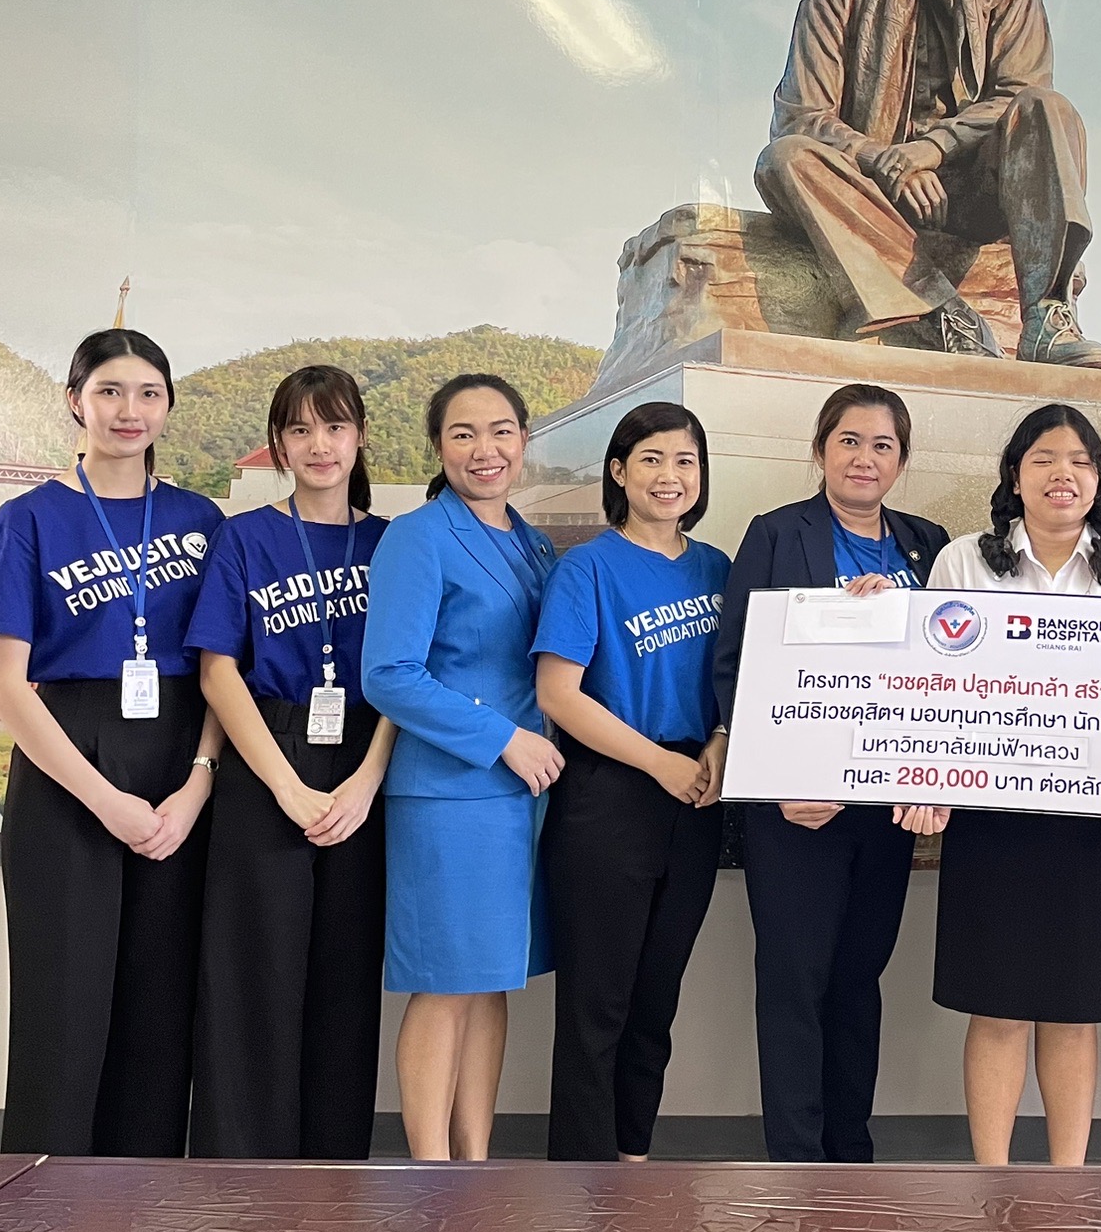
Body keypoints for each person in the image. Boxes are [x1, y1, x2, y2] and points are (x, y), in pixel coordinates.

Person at [0, 328, 225, 1156]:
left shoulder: (201, 518)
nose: (129, 410)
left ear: (169, 406)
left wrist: (198, 783)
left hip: (179, 768)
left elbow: (223, 669)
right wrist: (105, 799)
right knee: (62, 1003)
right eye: (110, 390)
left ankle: (141, 1200)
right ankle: (40, 1207)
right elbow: (3, 682)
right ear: (76, 400)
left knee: (159, 1003)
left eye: (148, 392)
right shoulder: (28, 519)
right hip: (67, 770)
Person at [755, 0, 1101, 367]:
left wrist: (931, 148)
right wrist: (886, 160)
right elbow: (802, 115)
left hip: (983, 188)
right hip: (878, 193)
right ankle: (937, 314)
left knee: (1046, 107)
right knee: (785, 158)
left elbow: (1015, 95)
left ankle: (1046, 315)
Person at [924, 403, 1101, 1164]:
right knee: (996, 1010)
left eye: (1081, 461)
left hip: (1093, 824)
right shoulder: (964, 562)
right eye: (1044, 458)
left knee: (1072, 1011)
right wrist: (927, 778)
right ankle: (990, 1176)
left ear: (1099, 480)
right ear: (1015, 475)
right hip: (990, 816)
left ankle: (1068, 1180)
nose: (1063, 474)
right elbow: (929, 684)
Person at [712, 383, 949, 1162]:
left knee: (858, 981)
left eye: (883, 445)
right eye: (850, 441)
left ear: (902, 462)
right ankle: (795, 1157)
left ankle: (851, 1153)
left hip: (885, 811)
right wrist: (779, 780)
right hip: (797, 809)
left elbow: (950, 673)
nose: (864, 458)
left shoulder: (928, 543)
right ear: (820, 450)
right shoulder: (777, 535)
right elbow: (735, 666)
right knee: (793, 984)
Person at [186, 365, 394, 1159]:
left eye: (335, 427)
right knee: (252, 970)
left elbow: (407, 672)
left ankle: (334, 1167)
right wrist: (285, 785)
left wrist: (367, 779)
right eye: (300, 430)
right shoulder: (245, 536)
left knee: (345, 977)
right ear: (278, 443)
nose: (320, 445)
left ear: (361, 435)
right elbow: (217, 670)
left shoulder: (390, 543)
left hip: (365, 757)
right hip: (267, 754)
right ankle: (241, 1169)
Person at [362, 373, 562, 1161]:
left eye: (503, 430)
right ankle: (429, 1167)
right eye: (464, 434)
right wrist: (502, 738)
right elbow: (390, 674)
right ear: (438, 447)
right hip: (450, 790)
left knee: (491, 977)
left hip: (524, 793)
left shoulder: (535, 544)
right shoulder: (417, 538)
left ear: (523, 440)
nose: (486, 450)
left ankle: (475, 1160)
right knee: (445, 981)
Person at [533, 402, 731, 1163]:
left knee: (656, 1000)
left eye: (685, 460)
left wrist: (715, 742)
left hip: (696, 795)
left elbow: (738, 678)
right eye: (651, 459)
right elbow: (558, 694)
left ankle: (633, 1160)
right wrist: (657, 763)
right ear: (619, 471)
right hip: (610, 794)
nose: (669, 475)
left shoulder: (717, 567)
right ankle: (580, 1177)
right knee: (597, 1004)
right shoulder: (587, 566)